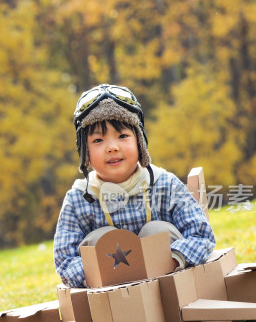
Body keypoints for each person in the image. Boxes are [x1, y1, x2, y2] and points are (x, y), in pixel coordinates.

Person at [53, 84, 215, 288]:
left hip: (168, 282)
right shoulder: (78, 199)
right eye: (98, 140)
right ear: (85, 151)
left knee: (156, 230)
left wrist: (170, 260)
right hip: (108, 293)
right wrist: (95, 275)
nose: (112, 147)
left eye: (122, 136)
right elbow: (65, 259)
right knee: (102, 239)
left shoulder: (164, 184)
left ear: (140, 141)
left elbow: (201, 235)